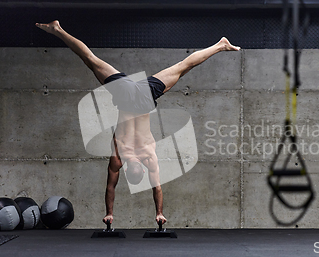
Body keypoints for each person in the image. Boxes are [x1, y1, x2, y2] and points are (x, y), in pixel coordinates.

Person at [36, 20, 240, 226]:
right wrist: (152, 213)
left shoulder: (135, 157)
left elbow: (128, 188)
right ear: (134, 170)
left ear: (134, 170)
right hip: (133, 96)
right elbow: (137, 188)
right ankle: (220, 45)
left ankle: (220, 45)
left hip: (138, 96)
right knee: (92, 60)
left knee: (180, 67)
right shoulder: (133, 157)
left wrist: (118, 213)